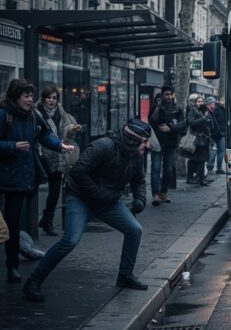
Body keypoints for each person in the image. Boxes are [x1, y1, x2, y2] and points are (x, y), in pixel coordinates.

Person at [22, 119, 152, 302]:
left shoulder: (136, 156)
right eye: (145, 141)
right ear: (133, 140)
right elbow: (78, 172)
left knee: (134, 230)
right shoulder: (103, 146)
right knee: (70, 240)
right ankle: (33, 282)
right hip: (80, 198)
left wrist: (140, 199)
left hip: (107, 201)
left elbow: (139, 180)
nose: (147, 146)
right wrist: (99, 194)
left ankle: (125, 276)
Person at [0, 79, 74, 284]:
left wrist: (60, 146)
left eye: (31, 96)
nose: (30, 100)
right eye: (26, 96)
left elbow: (44, 134)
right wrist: (11, 146)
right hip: (3, 173)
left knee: (12, 222)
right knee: (5, 224)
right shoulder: (3, 113)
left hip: (19, 176)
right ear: (15, 97)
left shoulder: (33, 115)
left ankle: (12, 266)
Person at [37, 86, 81, 235]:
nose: (51, 101)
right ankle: (32, 222)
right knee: (33, 188)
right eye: (49, 97)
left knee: (55, 190)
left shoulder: (62, 114)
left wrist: (73, 130)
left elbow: (68, 128)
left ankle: (47, 220)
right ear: (43, 99)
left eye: (54, 98)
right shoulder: (37, 113)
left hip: (56, 155)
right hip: (40, 155)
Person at [148, 86, 184, 206]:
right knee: (155, 169)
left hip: (171, 143)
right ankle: (156, 194)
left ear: (173, 95)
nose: (168, 96)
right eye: (166, 94)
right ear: (162, 95)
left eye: (170, 94)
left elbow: (182, 125)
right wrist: (158, 107)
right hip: (157, 142)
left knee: (168, 170)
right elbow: (151, 121)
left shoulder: (178, 109)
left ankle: (164, 192)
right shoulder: (156, 107)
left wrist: (170, 128)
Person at [186, 96, 212, 186]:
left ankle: (200, 179)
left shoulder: (206, 112)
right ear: (195, 103)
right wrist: (204, 118)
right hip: (195, 138)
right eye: (198, 101)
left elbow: (211, 124)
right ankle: (190, 178)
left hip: (204, 139)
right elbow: (192, 123)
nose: (200, 103)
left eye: (202, 101)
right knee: (193, 159)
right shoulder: (192, 111)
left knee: (202, 159)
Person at [205, 96, 226, 174]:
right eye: (222, 99)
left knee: (217, 151)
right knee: (216, 151)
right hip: (217, 134)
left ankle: (214, 168)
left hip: (219, 133)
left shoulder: (220, 109)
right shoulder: (217, 109)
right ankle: (214, 168)